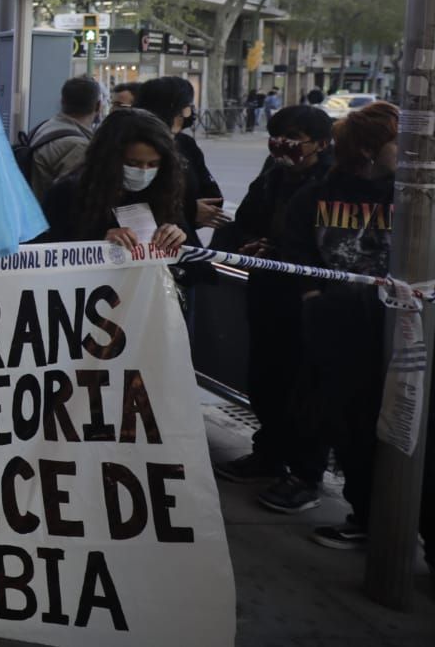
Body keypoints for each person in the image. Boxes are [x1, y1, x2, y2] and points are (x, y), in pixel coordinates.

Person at [280, 102, 399, 549]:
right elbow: (295, 249)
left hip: (401, 331)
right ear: (368, 148)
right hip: (340, 333)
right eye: (395, 142)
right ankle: (367, 516)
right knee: (351, 426)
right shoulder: (318, 194)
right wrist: (315, 299)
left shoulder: (412, 195)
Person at [213, 105, 335, 510]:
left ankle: (305, 474)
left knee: (305, 389)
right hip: (268, 294)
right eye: (277, 136)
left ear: (322, 143)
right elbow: (243, 221)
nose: (282, 145)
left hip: (310, 301)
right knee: (265, 378)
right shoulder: (272, 175)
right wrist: (246, 244)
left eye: (294, 138)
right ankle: (269, 455)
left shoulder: (333, 183)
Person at [39, 108, 188, 252]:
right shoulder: (67, 193)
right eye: (132, 163)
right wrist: (99, 244)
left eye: (153, 164)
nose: (143, 171)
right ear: (109, 160)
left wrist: (176, 235)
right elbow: (46, 251)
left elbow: (192, 256)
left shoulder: (163, 188)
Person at [136, 76, 227, 241]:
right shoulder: (133, 145)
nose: (191, 110)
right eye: (188, 105)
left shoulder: (186, 144)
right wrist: (189, 210)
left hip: (182, 239)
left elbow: (212, 196)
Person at [27, 77, 103, 199]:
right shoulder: (78, 146)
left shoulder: (44, 127)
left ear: (62, 101)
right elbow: (74, 198)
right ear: (98, 106)